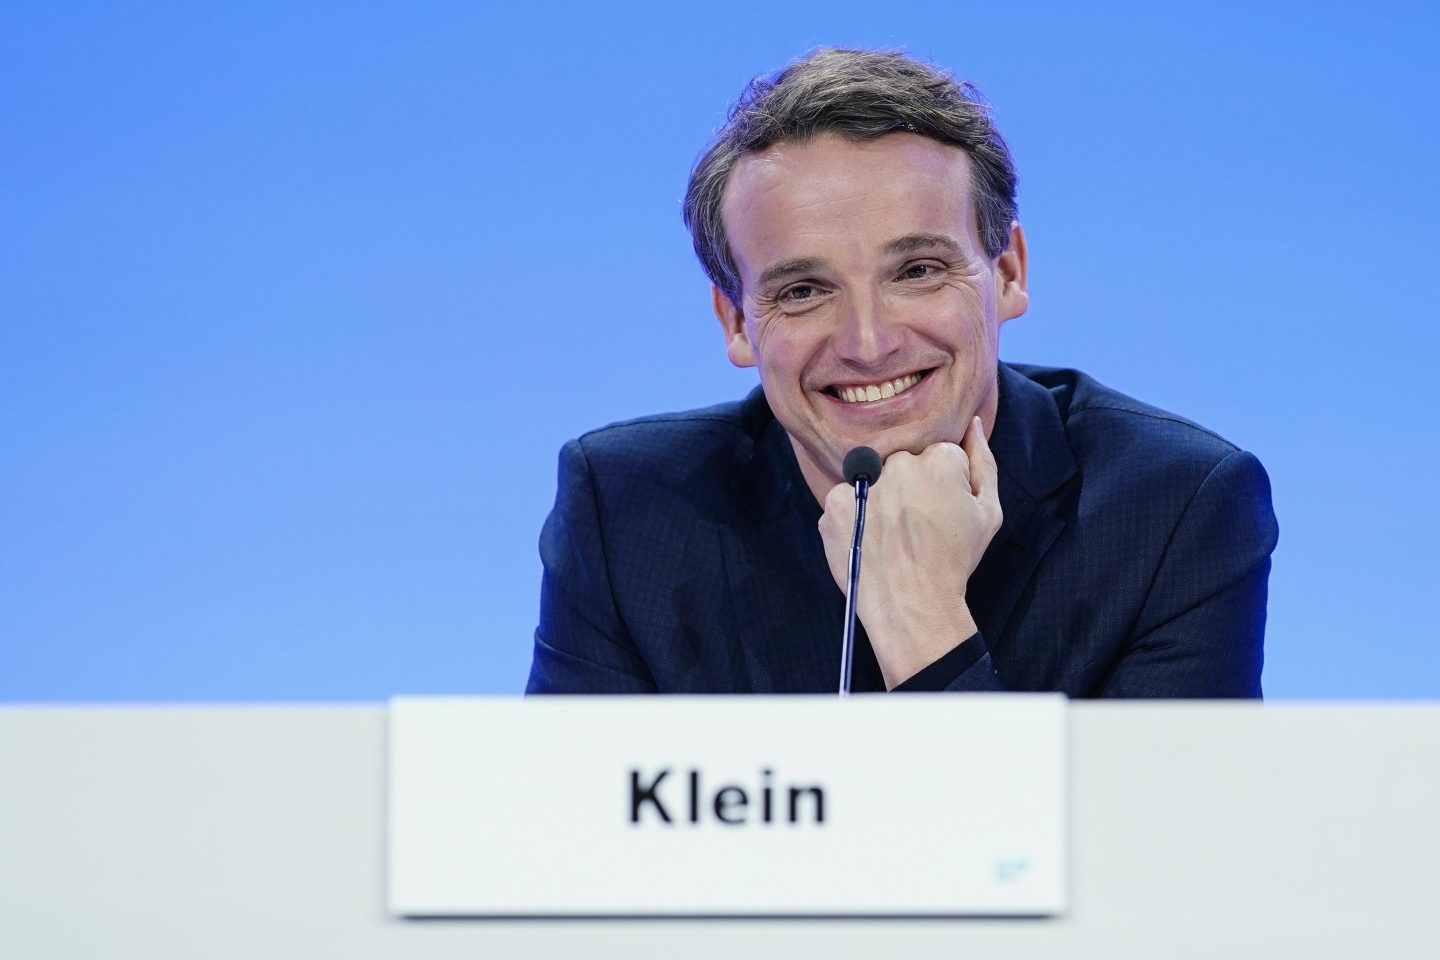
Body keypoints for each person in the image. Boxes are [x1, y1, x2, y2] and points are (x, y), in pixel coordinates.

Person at [527, 48, 1277, 696]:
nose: (869, 341)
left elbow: (1145, 859)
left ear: (1008, 272)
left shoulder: (1176, 508)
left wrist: (921, 619)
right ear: (735, 323)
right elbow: (561, 842)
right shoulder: (626, 509)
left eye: (917, 270)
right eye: (802, 291)